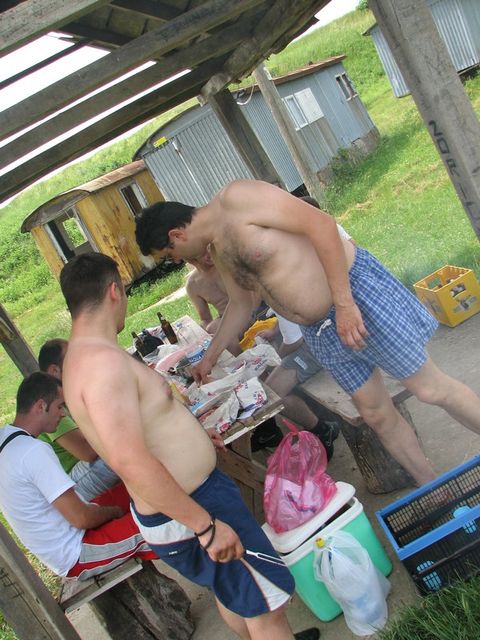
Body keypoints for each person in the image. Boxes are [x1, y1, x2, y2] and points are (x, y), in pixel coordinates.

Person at [135, 179, 480, 487]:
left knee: (429, 388)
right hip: (319, 330)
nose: (176, 260)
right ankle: (434, 487)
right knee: (375, 414)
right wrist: (209, 358)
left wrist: (344, 304)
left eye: (169, 254)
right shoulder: (218, 249)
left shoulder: (238, 198)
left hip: (352, 298)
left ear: (176, 235)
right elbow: (240, 304)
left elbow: (322, 225)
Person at [59, 252, 319, 640]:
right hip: (192, 506)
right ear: (114, 291)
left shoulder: (82, 359)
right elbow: (129, 460)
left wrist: (192, 436)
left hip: (184, 501)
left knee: (238, 594)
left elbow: (140, 430)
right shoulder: (102, 367)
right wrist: (205, 526)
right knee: (268, 607)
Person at [0, 372, 157, 580]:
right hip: (76, 552)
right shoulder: (32, 451)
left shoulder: (7, 439)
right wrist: (115, 512)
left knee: (140, 486)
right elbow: (81, 518)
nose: (63, 413)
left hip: (66, 536)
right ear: (40, 406)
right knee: (164, 525)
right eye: (59, 406)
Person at [38, 338, 119, 501]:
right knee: (120, 451)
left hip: (86, 464)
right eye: (73, 359)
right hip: (70, 485)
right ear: (54, 371)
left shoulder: (70, 392)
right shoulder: (48, 401)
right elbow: (87, 452)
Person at [259, 313, 338, 460]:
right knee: (270, 391)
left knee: (271, 395)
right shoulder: (275, 298)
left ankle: (323, 430)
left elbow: (294, 341)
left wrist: (275, 358)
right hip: (315, 335)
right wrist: (274, 330)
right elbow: (284, 313)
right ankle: (268, 431)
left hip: (322, 342)